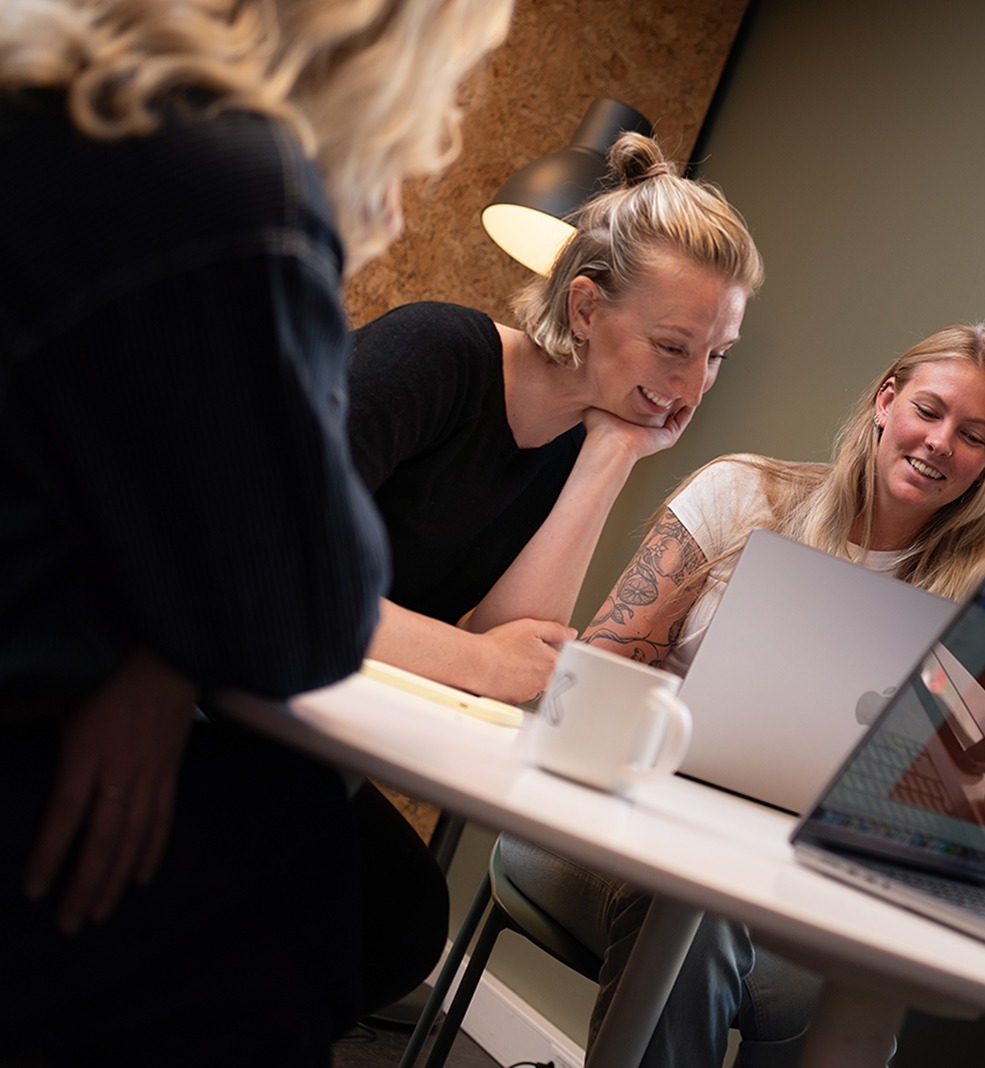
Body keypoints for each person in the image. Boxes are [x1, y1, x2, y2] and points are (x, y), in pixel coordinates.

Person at [0, 0, 512, 1063]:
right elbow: (310, 616)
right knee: (322, 869)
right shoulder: (234, 188)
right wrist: (317, 259)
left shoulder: (56, 104)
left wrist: (163, 658)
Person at [500, 322, 985, 1067]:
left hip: (793, 890)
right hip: (608, 832)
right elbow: (589, 681)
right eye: (929, 410)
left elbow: (964, 810)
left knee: (856, 988)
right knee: (701, 907)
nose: (942, 442)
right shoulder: (743, 494)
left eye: (974, 435)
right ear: (886, 402)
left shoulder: (979, 606)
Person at [343, 130, 761, 1014]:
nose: (695, 385)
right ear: (583, 307)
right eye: (673, 346)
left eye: (717, 355)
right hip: (195, 684)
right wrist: (474, 659)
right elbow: (283, 579)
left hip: (313, 714)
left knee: (399, 919)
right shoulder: (436, 353)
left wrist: (612, 453)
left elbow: (519, 653)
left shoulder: (576, 441)